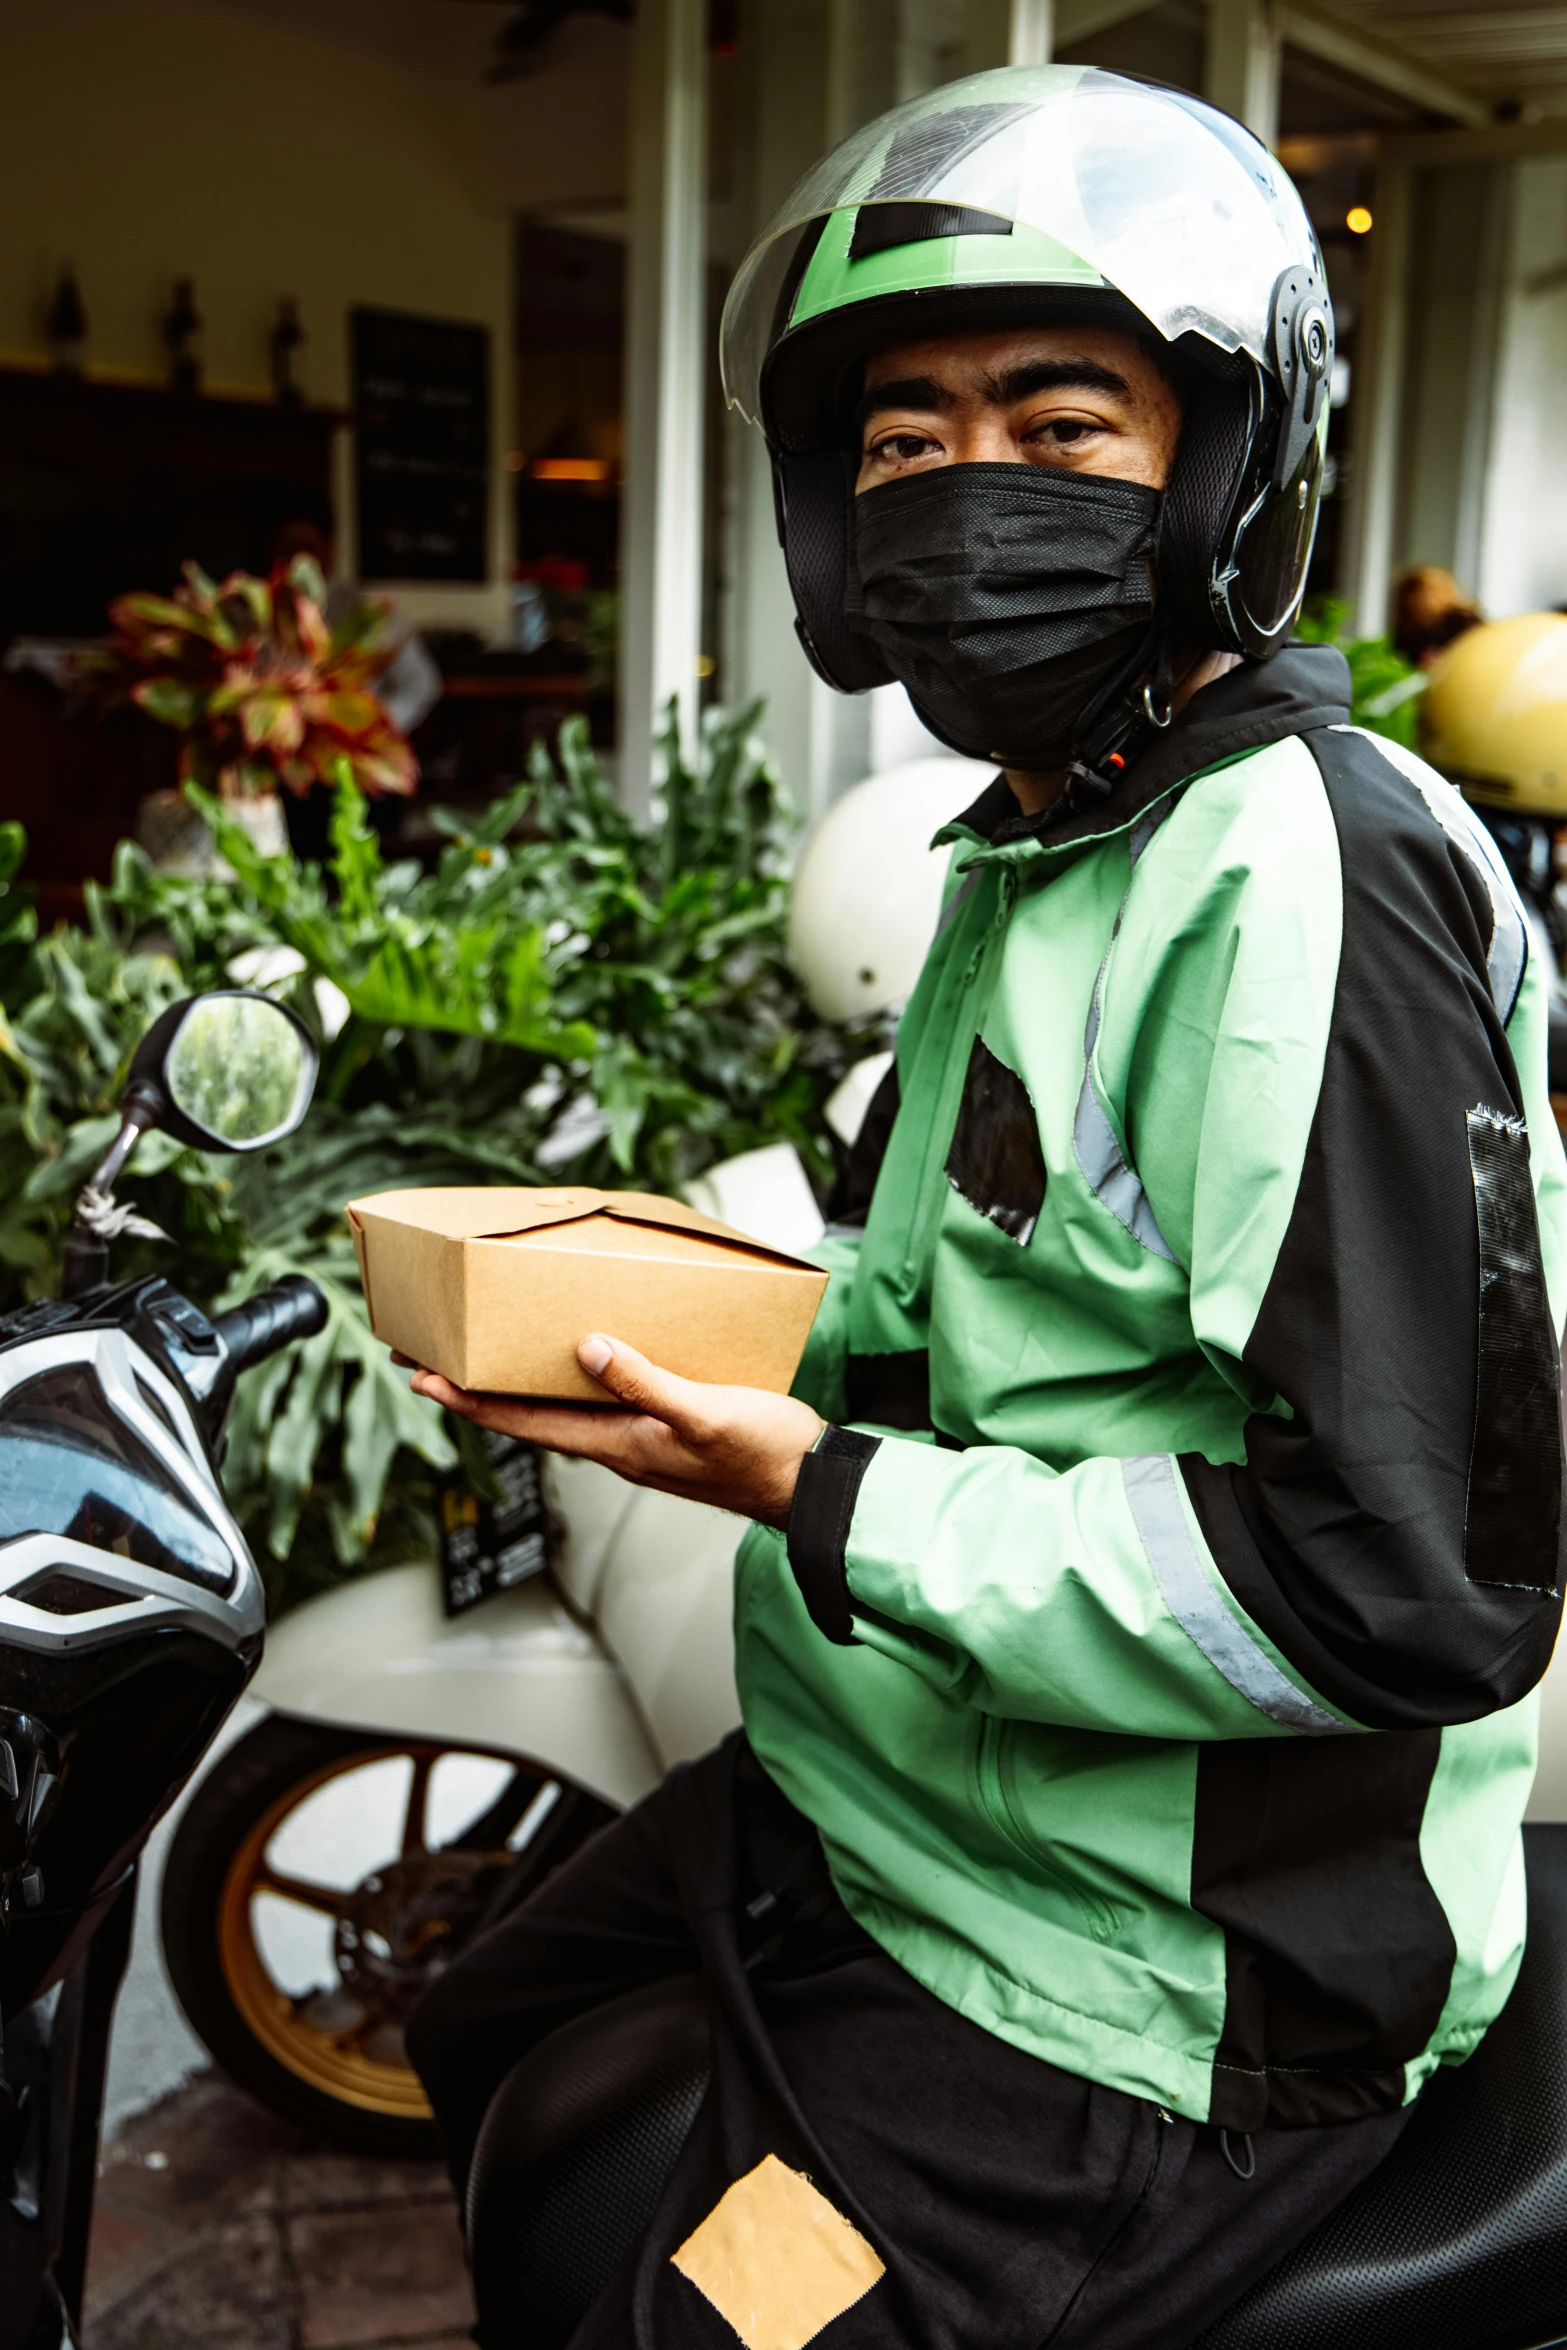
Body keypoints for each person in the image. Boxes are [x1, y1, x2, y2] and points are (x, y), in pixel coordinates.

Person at [403, 67, 1567, 2350]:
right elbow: (995, 1314)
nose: (965, 495)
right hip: (894, 1804)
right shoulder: (1045, 846)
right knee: (482, 2028)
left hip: (1153, 1968)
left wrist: (821, 1489)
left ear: (1226, 476)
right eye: (905, 448)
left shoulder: (1302, 871)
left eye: (1061, 420)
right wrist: (690, 1308)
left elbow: (1397, 1591)